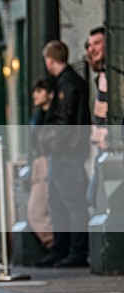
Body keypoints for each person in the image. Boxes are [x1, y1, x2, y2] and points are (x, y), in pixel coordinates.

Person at [39, 40, 91, 267]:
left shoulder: (67, 84)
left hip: (67, 152)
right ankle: (61, 248)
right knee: (58, 202)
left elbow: (64, 121)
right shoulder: (66, 82)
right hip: (64, 151)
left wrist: (50, 142)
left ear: (50, 60)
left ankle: (77, 250)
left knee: (72, 202)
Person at [27, 80, 54, 256]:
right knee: (35, 210)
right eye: (34, 91)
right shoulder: (37, 116)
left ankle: (53, 244)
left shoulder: (54, 115)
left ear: (49, 93)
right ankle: (51, 244)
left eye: (39, 91)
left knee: (47, 207)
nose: (34, 95)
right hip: (38, 162)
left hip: (50, 159)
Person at [85, 26, 107, 211]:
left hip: (111, 148)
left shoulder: (110, 76)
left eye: (97, 43)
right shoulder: (101, 76)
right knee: (93, 198)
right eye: (89, 45)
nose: (91, 49)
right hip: (102, 149)